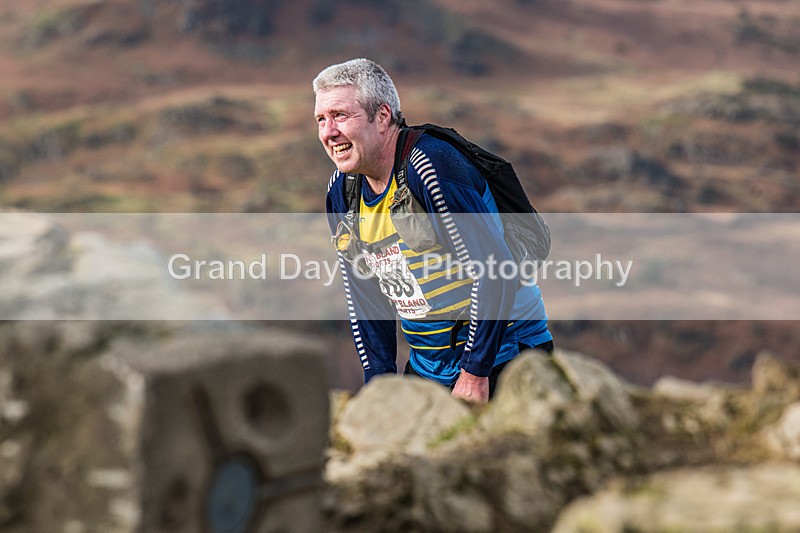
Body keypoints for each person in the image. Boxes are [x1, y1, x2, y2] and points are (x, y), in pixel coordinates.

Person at [315, 58, 552, 403]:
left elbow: (495, 271)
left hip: (505, 354)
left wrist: (475, 373)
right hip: (429, 366)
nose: (328, 132)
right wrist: (380, 389)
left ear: (382, 117)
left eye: (340, 115)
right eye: (321, 119)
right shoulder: (342, 190)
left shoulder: (430, 166)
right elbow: (367, 301)